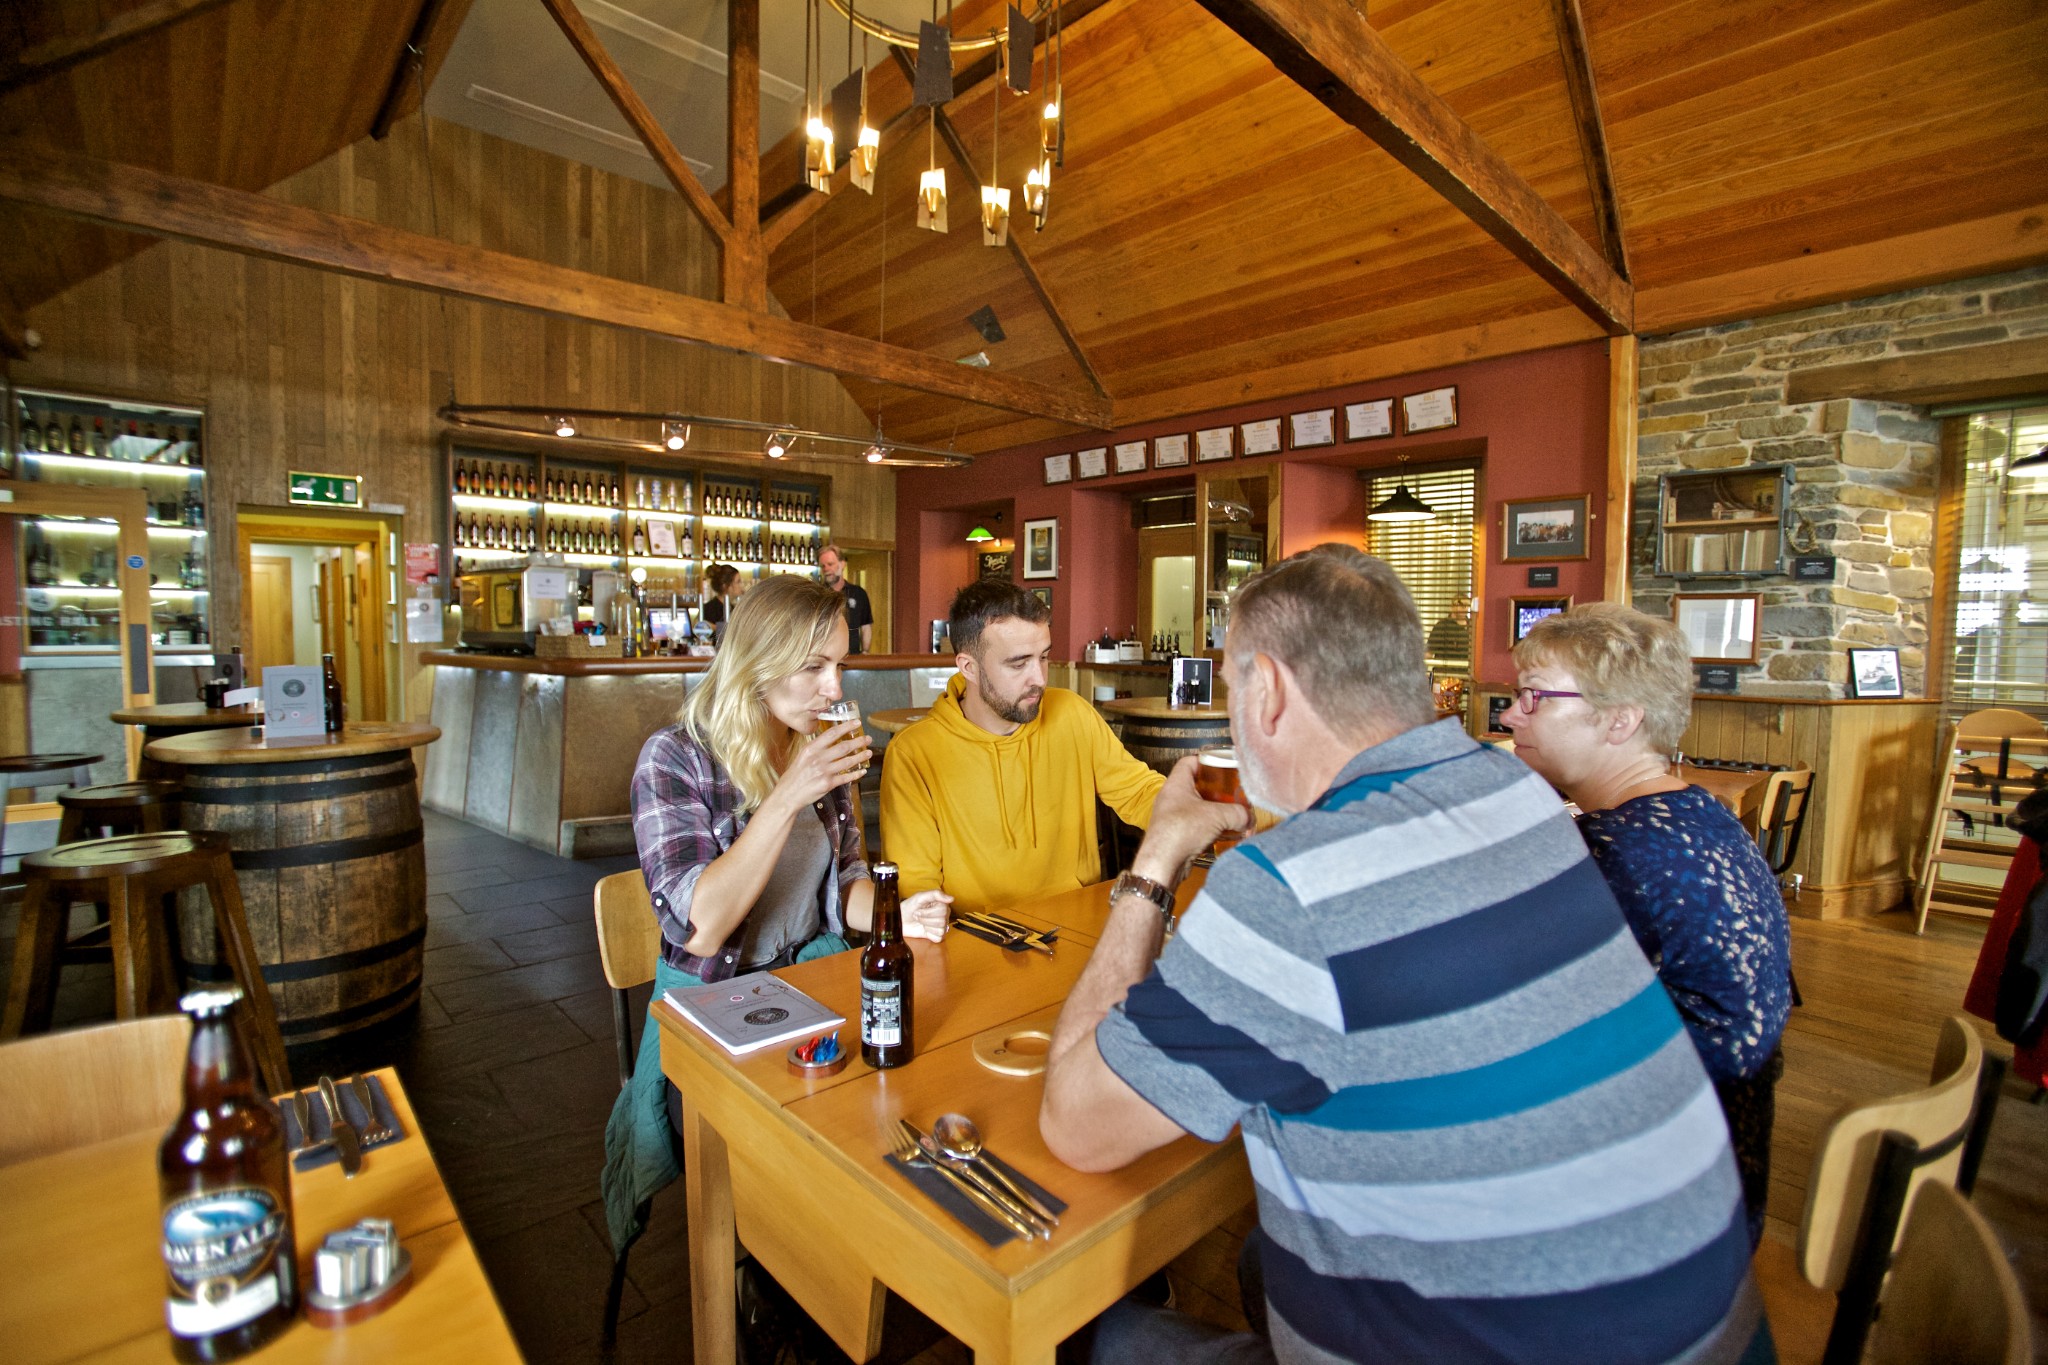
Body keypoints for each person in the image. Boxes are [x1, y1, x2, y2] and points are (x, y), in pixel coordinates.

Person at [1039, 545, 1767, 1365]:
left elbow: (1076, 1124)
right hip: (1708, 1327)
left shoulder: (1287, 886)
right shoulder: (1523, 795)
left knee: (1094, 1336)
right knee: (1262, 1261)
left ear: (1267, 689)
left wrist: (1157, 854)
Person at [602, 576, 951, 1258]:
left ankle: (843, 1265)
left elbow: (845, 882)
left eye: (840, 665)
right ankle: (786, 1271)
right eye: (814, 666)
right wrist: (789, 794)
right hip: (712, 1009)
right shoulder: (676, 758)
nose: (834, 687)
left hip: (810, 988)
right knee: (811, 1144)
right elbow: (702, 925)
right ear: (758, 661)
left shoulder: (813, 743)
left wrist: (895, 914)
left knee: (906, 1090)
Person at [1503, 601, 1792, 1249]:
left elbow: (1512, 1018)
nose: (1509, 715)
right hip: (1728, 1171)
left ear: (1620, 719)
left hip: (1654, 1210)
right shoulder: (1701, 812)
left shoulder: (1613, 853)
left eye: (1534, 697)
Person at [880, 580, 1165, 915]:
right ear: (969, 667)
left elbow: (1140, 793)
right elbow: (918, 891)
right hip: (979, 937)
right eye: (1018, 664)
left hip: (1078, 921)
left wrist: (1195, 814)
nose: (1039, 679)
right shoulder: (913, 753)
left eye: (1044, 657)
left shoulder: (1072, 713)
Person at [819, 543, 874, 654]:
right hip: (824, 657)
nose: (826, 569)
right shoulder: (817, 594)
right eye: (823, 566)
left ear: (842, 564)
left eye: (830, 564)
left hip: (853, 658)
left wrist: (865, 652)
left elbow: (866, 626)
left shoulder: (858, 593)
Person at [699, 563, 740, 646]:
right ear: (726, 586)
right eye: (738, 582)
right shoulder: (709, 609)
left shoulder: (734, 608)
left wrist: (715, 627)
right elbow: (702, 634)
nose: (741, 586)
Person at [1425, 593, 1473, 662]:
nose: (1464, 608)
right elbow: (1429, 652)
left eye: (1467, 605)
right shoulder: (1442, 626)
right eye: (1461, 605)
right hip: (1445, 668)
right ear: (1452, 607)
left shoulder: (1472, 626)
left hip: (1466, 667)